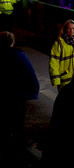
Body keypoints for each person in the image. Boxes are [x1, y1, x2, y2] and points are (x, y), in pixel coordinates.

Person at [0, 31, 39, 164]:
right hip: (16, 95)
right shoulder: (19, 55)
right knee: (17, 123)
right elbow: (30, 74)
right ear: (12, 42)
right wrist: (33, 91)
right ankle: (17, 152)